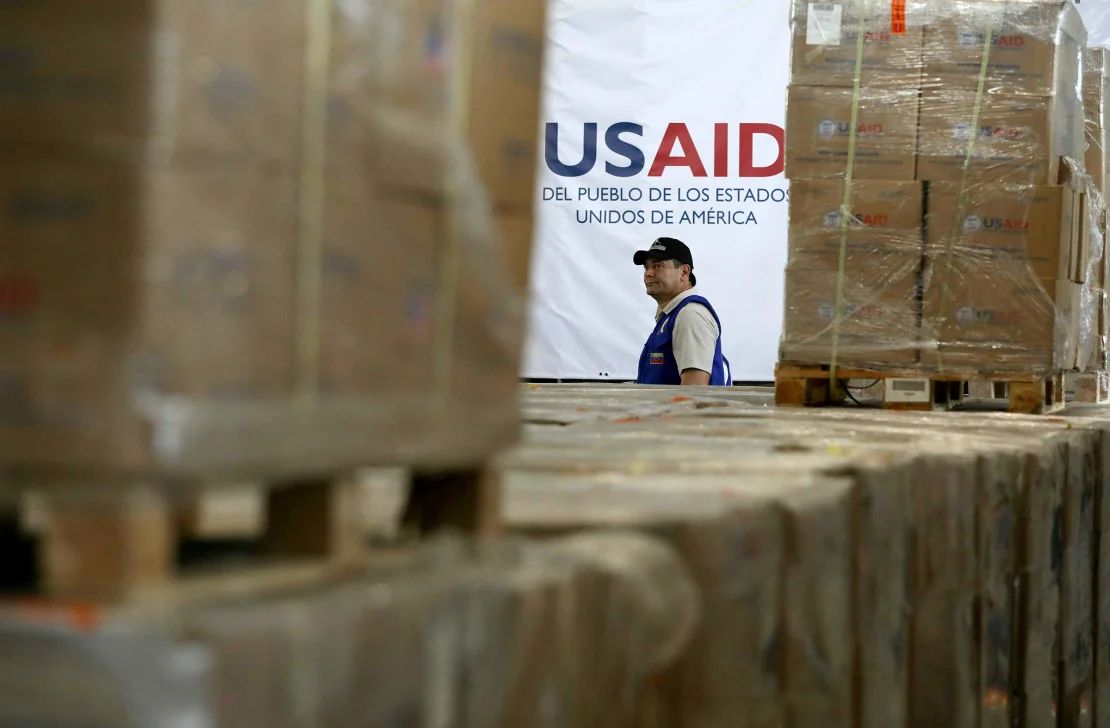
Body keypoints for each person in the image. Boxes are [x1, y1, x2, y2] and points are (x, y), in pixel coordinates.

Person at [633, 237, 731, 386]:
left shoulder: (690, 315)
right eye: (646, 267)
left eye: (658, 266)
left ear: (684, 272)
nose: (648, 273)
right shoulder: (673, 314)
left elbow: (694, 392)